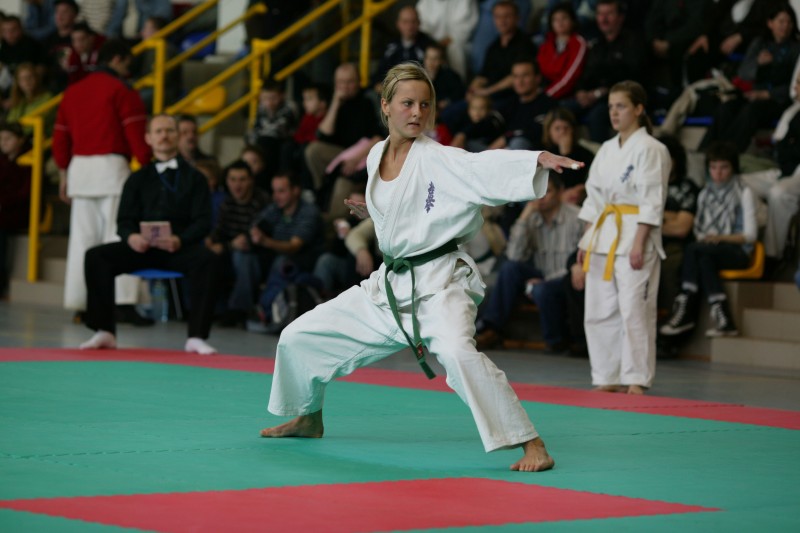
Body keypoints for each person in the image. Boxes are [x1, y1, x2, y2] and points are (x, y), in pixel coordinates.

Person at [260, 62, 583, 472]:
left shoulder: (439, 158)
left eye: (425, 104)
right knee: (298, 335)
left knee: (457, 353)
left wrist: (535, 159)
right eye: (407, 103)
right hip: (389, 286)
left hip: (440, 283)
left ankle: (532, 443)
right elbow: (406, 211)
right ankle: (308, 416)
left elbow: (480, 166)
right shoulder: (376, 154)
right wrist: (376, 213)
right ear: (386, 106)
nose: (417, 112)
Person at [79, 114, 222, 354]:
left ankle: (196, 336)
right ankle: (104, 330)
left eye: (169, 130)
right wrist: (132, 237)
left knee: (208, 260)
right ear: (148, 138)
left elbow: (203, 222)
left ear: (178, 135)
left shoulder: (195, 178)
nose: (164, 136)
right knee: (96, 256)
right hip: (141, 249)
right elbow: (123, 221)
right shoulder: (136, 178)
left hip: (178, 248)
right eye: (158, 131)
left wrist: (180, 240)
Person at [577, 80, 670, 395]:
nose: (614, 113)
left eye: (621, 106)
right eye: (611, 107)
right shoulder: (606, 149)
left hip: (634, 234)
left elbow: (652, 199)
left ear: (639, 109)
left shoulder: (651, 149)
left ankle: (636, 378)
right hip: (602, 234)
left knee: (634, 309)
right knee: (599, 309)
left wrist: (640, 241)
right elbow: (593, 198)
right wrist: (585, 241)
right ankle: (606, 375)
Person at [52, 39, 152, 324]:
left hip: (80, 171)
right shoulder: (122, 90)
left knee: (82, 243)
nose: (128, 69)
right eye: (127, 63)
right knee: (120, 237)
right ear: (117, 59)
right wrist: (147, 167)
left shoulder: (73, 91)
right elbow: (137, 138)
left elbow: (60, 138)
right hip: (112, 169)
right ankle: (122, 302)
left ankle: (82, 303)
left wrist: (63, 173)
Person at [474, 175, 586, 353]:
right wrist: (524, 217)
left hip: (567, 275)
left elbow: (581, 257)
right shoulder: (531, 217)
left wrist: (543, 282)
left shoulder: (577, 216)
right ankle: (491, 328)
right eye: (537, 192)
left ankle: (556, 342)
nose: (541, 197)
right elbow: (513, 256)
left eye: (547, 191)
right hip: (542, 273)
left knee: (542, 289)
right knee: (510, 269)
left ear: (560, 192)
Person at [660, 142, 758, 338]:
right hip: (710, 250)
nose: (718, 173)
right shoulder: (704, 194)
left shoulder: (744, 192)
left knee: (693, 249)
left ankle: (686, 302)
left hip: (738, 251)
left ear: (733, 168)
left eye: (724, 167)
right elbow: (699, 230)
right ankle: (724, 319)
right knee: (703, 259)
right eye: (713, 167)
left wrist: (720, 238)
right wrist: (709, 239)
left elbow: (750, 235)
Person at [700, 4, 800, 152]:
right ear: (770, 23)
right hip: (753, 94)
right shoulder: (759, 43)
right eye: (781, 21)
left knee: (751, 111)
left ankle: (727, 153)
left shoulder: (795, 49)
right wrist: (758, 64)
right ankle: (706, 151)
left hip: (777, 99)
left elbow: (794, 86)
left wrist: (766, 94)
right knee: (726, 107)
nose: (785, 26)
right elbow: (743, 73)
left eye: (789, 22)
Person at [248, 172, 323, 332]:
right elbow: (255, 224)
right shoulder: (276, 209)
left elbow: (294, 246)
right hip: (280, 257)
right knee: (245, 257)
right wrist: (254, 233)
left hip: (306, 261)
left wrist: (264, 241)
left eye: (281, 191)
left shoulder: (308, 212)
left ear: (295, 190)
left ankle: (267, 313)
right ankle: (244, 310)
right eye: (274, 191)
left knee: (281, 262)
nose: (276, 196)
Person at [567, 0, 646, 142]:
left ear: (620, 17)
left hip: (620, 97)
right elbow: (586, 74)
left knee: (597, 115)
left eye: (609, 14)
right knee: (562, 109)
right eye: (600, 14)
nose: (604, 19)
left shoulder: (634, 41)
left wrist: (599, 93)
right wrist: (580, 91)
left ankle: (600, 154)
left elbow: (631, 76)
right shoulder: (597, 44)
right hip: (594, 97)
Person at [207, 160, 271, 327]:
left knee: (243, 256)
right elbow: (219, 231)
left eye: (242, 179)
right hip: (232, 250)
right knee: (206, 254)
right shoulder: (227, 202)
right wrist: (210, 241)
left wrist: (227, 246)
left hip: (259, 254)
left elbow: (251, 240)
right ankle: (208, 309)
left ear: (251, 181)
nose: (237, 185)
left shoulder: (262, 201)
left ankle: (238, 310)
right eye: (233, 179)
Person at [656, 135, 699, 312]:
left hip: (676, 245)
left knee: (669, 263)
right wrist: (671, 216)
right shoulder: (644, 185)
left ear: (677, 160)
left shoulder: (687, 187)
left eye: (667, 158)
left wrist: (653, 218)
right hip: (645, 240)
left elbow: (681, 228)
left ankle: (670, 315)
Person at [467, 1, 536, 105]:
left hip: (511, 97)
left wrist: (487, 91)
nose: (502, 21)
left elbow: (517, 77)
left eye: (507, 16)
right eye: (498, 17)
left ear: (517, 18)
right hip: (487, 97)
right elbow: (483, 75)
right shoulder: (493, 46)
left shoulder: (525, 44)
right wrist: (471, 90)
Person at [0, 122, 31, 298]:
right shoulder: (2, 159)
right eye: (1, 138)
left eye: (8, 138)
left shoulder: (29, 159)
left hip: (19, 210)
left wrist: (2, 203)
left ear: (20, 140)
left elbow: (24, 194)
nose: (3, 142)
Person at [245, 79, 298, 180]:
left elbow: (280, 129)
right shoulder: (261, 107)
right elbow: (256, 128)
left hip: (283, 140)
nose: (269, 102)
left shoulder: (290, 107)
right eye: (265, 98)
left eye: (273, 98)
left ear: (282, 96)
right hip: (264, 140)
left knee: (265, 142)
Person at [371, 5, 435, 89]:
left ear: (419, 23)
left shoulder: (428, 45)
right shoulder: (389, 44)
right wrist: (377, 84)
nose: (409, 26)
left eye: (413, 22)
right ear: (398, 24)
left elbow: (433, 74)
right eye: (405, 22)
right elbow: (380, 70)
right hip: (392, 90)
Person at [540, 107, 593, 205]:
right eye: (557, 128)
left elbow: (574, 182)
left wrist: (566, 154)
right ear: (549, 131)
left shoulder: (584, 153)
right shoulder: (543, 154)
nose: (562, 132)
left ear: (572, 130)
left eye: (566, 128)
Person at [536, 2, 588, 100]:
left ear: (572, 21)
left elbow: (569, 79)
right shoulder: (546, 44)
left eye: (564, 18)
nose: (560, 23)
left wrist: (545, 96)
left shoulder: (578, 43)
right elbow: (538, 71)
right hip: (544, 92)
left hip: (565, 95)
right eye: (555, 19)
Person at [416, 0, 478, 81]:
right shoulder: (424, 3)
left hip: (456, 42)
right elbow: (422, 29)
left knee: (455, 49)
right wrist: (435, 44)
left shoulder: (466, 1)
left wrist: (444, 43)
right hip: (430, 42)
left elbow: (466, 27)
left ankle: (457, 82)